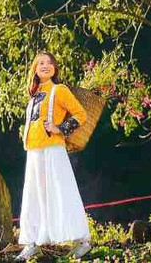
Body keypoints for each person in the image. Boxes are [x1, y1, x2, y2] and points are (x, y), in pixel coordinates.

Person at [16, 51, 91, 261]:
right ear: (34, 69)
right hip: (34, 150)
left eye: (49, 63)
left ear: (55, 68)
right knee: (33, 197)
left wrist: (60, 128)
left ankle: (83, 242)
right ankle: (31, 243)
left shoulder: (59, 90)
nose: (45, 66)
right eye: (41, 63)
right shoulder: (34, 94)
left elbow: (81, 114)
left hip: (53, 149)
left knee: (63, 191)